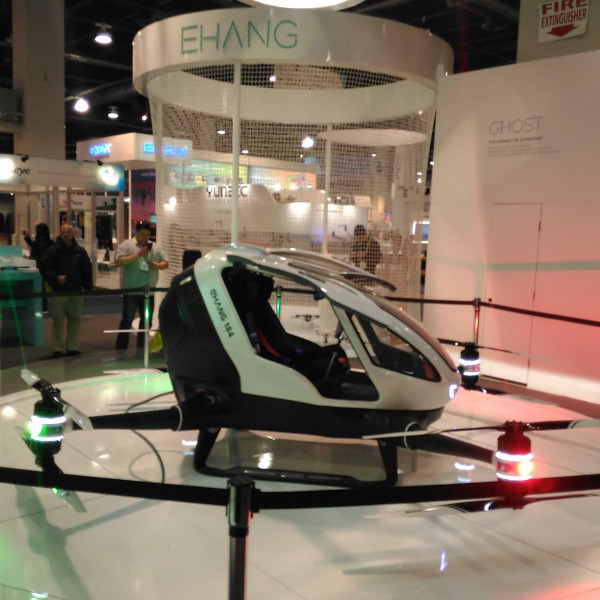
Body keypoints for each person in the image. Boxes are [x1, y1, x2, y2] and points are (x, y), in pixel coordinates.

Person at [114, 221, 168, 356]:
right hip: (131, 291)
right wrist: (137, 255)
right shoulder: (127, 245)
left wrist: (157, 266)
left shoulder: (155, 247)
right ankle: (120, 352)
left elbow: (165, 263)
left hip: (148, 292)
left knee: (146, 322)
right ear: (136, 233)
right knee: (127, 320)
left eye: (147, 235)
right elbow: (118, 262)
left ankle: (141, 353)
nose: (145, 238)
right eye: (142, 234)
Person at [39, 223, 93, 358]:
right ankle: (57, 349)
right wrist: (55, 277)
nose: (66, 234)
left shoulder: (80, 251)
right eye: (63, 232)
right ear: (60, 233)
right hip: (59, 291)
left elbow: (87, 270)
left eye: (68, 232)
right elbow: (44, 266)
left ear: (73, 233)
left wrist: (88, 288)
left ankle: (72, 347)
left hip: (75, 292)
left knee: (75, 320)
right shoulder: (52, 251)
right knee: (58, 321)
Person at [22, 223, 53, 311]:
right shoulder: (50, 242)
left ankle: (42, 307)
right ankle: (44, 307)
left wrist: (30, 258)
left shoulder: (39, 242)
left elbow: (36, 251)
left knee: (40, 288)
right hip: (48, 267)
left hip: (40, 267)